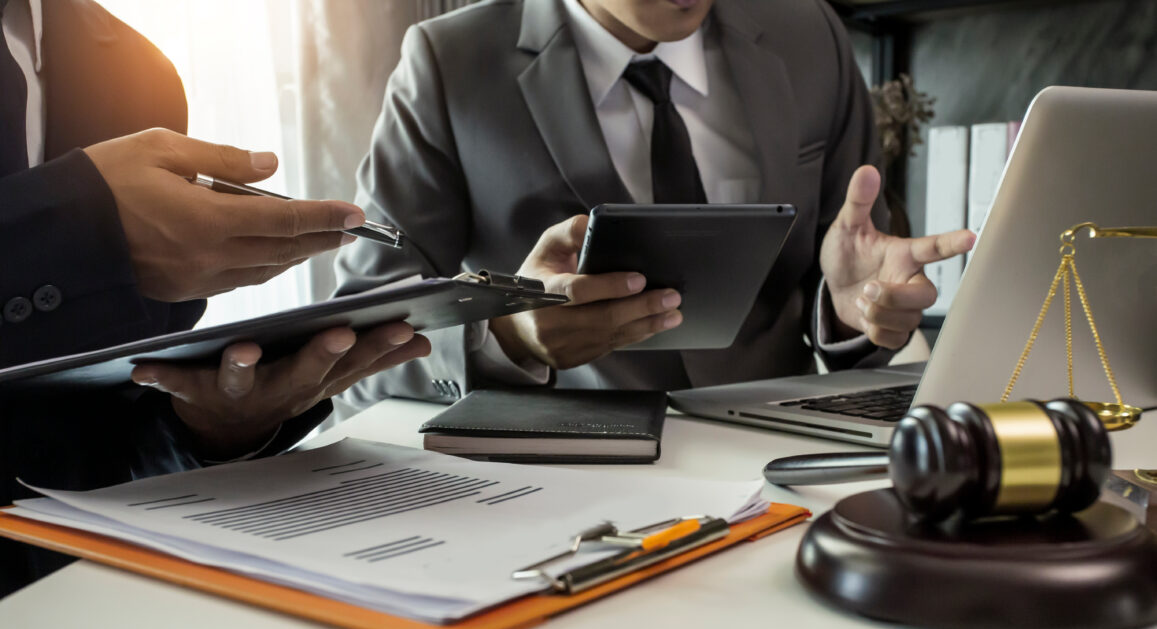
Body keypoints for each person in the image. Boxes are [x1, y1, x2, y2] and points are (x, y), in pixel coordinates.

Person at [332, 0, 973, 411]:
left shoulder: (812, 37)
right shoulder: (449, 64)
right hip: (556, 486)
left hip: (783, 461)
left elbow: (853, 297)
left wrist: (853, 314)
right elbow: (357, 347)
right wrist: (508, 339)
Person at [0, 0, 429, 594]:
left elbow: (110, 432)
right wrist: (70, 232)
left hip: (91, 597)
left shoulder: (136, 69)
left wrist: (215, 429)